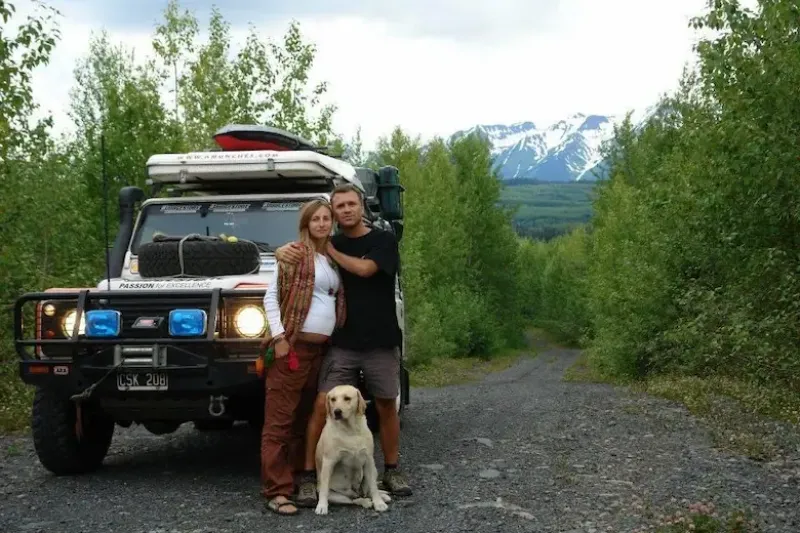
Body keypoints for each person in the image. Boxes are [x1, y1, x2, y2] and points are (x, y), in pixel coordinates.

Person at [274, 182, 412, 508]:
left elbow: (365, 270)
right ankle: (309, 476)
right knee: (323, 405)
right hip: (344, 341)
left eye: (351, 204)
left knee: (385, 405)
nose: (346, 210)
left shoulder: (383, 240)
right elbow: (297, 254)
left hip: (381, 341)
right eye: (340, 206)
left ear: (361, 206)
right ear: (334, 212)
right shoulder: (326, 242)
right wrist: (282, 252)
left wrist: (331, 251)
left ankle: (391, 469)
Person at [259, 199, 346, 516]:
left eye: (327, 218)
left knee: (302, 420)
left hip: (321, 352)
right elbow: (270, 297)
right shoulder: (295, 254)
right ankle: (276, 491)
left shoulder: (330, 259)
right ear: (306, 223)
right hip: (293, 348)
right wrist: (280, 338)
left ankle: (296, 481)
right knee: (278, 422)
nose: (322, 224)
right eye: (316, 219)